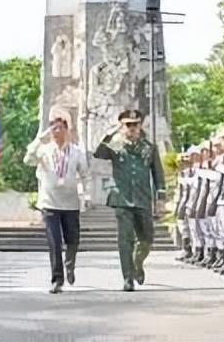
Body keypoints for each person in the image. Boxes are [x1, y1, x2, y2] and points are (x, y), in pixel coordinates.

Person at [93, 109, 165, 292]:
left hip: (142, 198)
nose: (132, 128)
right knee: (125, 240)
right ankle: (127, 278)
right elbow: (98, 153)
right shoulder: (116, 146)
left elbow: (158, 173)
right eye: (128, 125)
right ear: (122, 126)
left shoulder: (149, 147)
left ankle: (137, 263)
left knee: (147, 239)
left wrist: (161, 197)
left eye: (135, 124)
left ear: (140, 126)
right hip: (122, 198)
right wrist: (112, 132)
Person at [24, 106, 91, 294]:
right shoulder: (44, 150)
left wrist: (86, 195)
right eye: (53, 127)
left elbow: (85, 174)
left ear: (67, 130)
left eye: (60, 127)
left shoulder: (77, 152)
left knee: (72, 239)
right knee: (54, 241)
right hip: (49, 203)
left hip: (70, 203)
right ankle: (57, 279)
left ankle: (70, 263)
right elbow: (27, 160)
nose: (57, 131)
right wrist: (39, 139)